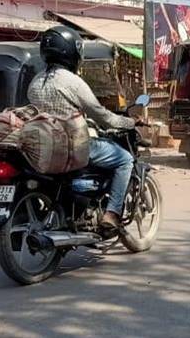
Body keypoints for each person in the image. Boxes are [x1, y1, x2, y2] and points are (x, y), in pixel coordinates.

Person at [26, 25, 136, 228]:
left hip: (44, 146)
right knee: (125, 160)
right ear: (71, 51)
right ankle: (112, 213)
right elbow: (102, 116)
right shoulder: (73, 82)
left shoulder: (34, 82)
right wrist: (129, 122)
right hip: (73, 146)